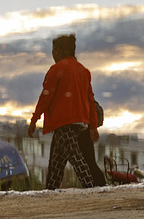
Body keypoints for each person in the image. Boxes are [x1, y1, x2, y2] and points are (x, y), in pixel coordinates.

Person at [28, 34, 99, 189]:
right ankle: (50, 191)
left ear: (59, 51)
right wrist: (93, 126)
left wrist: (34, 120)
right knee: (57, 161)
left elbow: (45, 97)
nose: (52, 54)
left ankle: (91, 187)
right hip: (80, 122)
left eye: (53, 50)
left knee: (75, 157)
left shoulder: (56, 69)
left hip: (64, 121)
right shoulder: (83, 71)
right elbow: (90, 100)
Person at [78, 100, 106, 186]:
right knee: (89, 162)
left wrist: (93, 128)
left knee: (88, 162)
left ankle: (99, 184)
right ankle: (99, 184)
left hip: (84, 128)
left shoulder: (83, 96)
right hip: (86, 127)